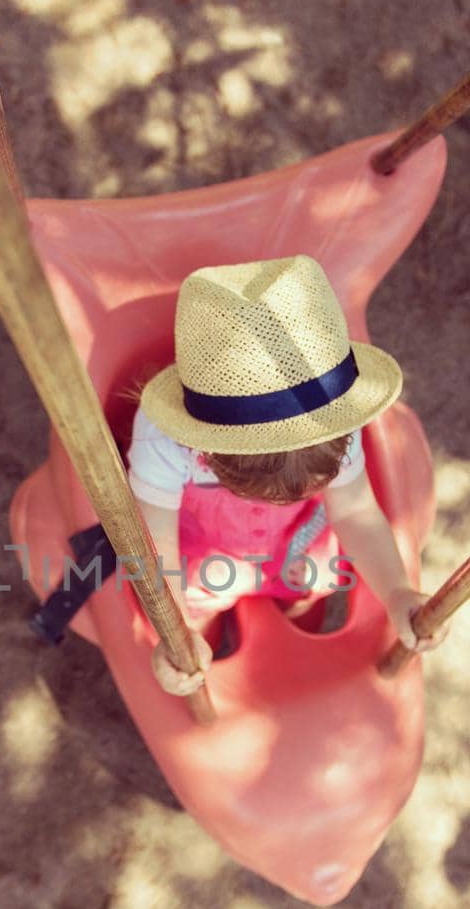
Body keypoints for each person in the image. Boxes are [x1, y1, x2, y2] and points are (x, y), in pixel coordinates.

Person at [126, 255, 447, 695]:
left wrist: (397, 593)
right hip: (204, 544)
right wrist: (175, 631)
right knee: (197, 604)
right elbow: (154, 541)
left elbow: (353, 510)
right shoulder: (162, 439)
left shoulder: (331, 413)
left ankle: (295, 610)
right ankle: (208, 636)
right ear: (207, 451)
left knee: (308, 584)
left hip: (297, 536)